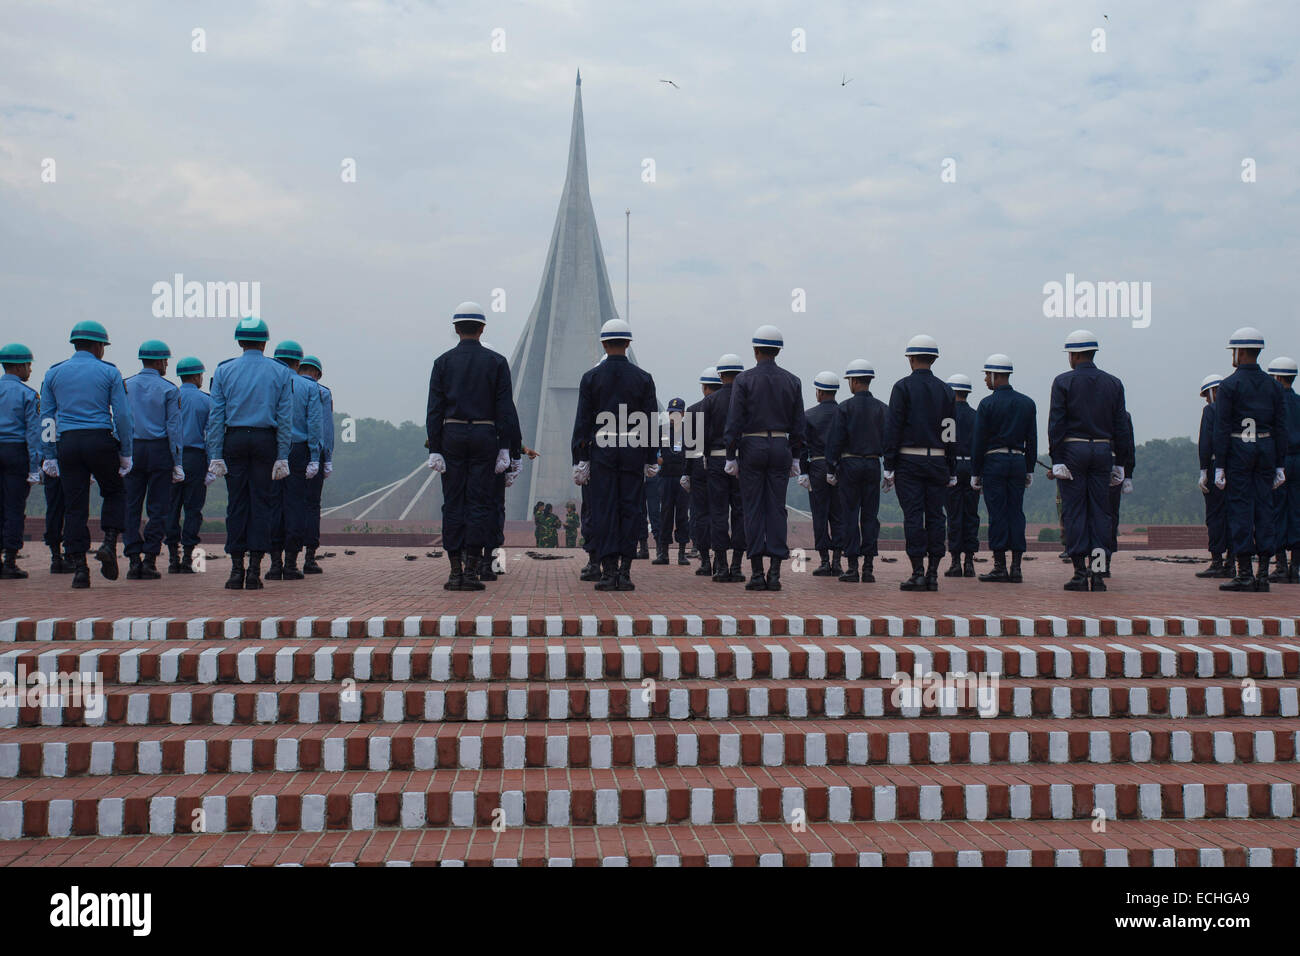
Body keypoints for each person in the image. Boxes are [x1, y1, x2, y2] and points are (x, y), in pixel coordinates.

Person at [425, 301, 517, 591]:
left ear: (456, 328)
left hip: (451, 434)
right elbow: (505, 409)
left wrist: (435, 448)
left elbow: (434, 410)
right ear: (482, 328)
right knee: (480, 503)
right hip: (484, 435)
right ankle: (473, 570)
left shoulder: (442, 363)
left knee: (453, 502)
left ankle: (454, 572)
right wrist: (507, 448)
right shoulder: (497, 362)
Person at [39, 321, 134, 589]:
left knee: (74, 506)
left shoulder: (54, 373)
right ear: (98, 346)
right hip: (100, 440)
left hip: (67, 443)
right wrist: (126, 451)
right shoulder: (109, 372)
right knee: (115, 492)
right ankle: (109, 541)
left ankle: (80, 568)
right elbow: (124, 416)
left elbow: (46, 418)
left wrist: (50, 454)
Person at [205, 316, 294, 590]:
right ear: (265, 343)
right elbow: (284, 417)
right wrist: (282, 455)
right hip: (265, 440)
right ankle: (254, 569)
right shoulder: (280, 372)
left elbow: (216, 416)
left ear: (240, 341)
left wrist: (215, 453)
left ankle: (235, 570)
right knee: (262, 504)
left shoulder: (224, 371)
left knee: (237, 504)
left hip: (234, 439)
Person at [571, 319, 658, 591]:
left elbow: (583, 422)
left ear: (604, 343)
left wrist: (580, 458)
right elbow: (650, 421)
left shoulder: (591, 378)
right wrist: (651, 458)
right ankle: (626, 572)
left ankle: (608, 572)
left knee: (604, 509)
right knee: (630, 508)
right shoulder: (643, 378)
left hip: (603, 451)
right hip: (633, 450)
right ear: (628, 344)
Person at [1047, 329, 1132, 592]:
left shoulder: (1063, 382)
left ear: (1072, 355)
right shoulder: (1114, 383)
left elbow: (1056, 424)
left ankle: (1079, 572)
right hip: (1104, 452)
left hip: (1074, 450)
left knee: (1075, 512)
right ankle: (1097, 574)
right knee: (1100, 513)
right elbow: (1122, 426)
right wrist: (1123, 465)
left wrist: (1057, 458)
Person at [722, 325, 806, 591]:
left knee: (753, 509)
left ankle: (757, 572)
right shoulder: (792, 380)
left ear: (756, 350)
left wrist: (731, 455)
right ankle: (775, 574)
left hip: (752, 446)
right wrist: (795, 457)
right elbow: (799, 424)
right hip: (781, 446)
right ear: (777, 350)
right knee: (776, 509)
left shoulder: (744, 380)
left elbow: (734, 421)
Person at [1212, 327, 1287, 592]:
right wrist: (1279, 463)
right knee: (1266, 508)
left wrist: (1219, 464)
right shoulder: (1273, 386)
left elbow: (1221, 427)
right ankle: (1263, 573)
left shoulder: (1229, 385)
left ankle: (1244, 572)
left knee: (1241, 508)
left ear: (1239, 352)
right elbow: (1281, 426)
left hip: (1238, 449)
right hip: (1266, 448)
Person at [883, 334, 956, 591]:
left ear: (911, 359)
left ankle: (917, 571)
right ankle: (934, 572)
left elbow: (894, 428)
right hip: (938, 461)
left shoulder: (902, 388)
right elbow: (950, 431)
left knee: (913, 516)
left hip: (908, 461)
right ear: (934, 359)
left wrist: (889, 464)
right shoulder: (947, 391)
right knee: (936, 516)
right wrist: (951, 466)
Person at [970, 354, 1037, 584]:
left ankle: (1000, 566)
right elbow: (1032, 439)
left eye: (987, 376)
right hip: (1018, 461)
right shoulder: (1027, 403)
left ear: (994, 375)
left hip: (994, 462)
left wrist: (975, 471)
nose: (985, 381)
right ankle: (1016, 566)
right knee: (1016, 512)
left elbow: (979, 441)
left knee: (997, 513)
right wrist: (1029, 468)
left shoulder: (987, 404)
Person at [122, 340, 182, 581]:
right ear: (158, 362)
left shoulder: (126, 386)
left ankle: (133, 559)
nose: (166, 364)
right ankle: (149, 560)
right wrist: (177, 461)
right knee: (158, 509)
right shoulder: (169, 389)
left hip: (133, 448)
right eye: (165, 361)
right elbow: (174, 429)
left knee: (131, 506)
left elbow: (122, 422)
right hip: (159, 451)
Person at [825, 360, 887, 583]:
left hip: (849, 465)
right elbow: (889, 441)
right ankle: (868, 567)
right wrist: (889, 467)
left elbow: (835, 441)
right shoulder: (882, 408)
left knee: (850, 515)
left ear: (852, 381)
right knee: (870, 515)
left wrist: (830, 467)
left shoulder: (844, 407)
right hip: (873, 464)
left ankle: (852, 566)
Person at [265, 341, 322, 581]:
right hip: (298, 451)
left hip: (270, 449)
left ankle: (274, 563)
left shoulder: (268, 383)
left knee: (271, 507)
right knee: (295, 506)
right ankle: (291, 563)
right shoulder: (309, 387)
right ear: (298, 363)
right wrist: (316, 457)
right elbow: (315, 424)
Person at [165, 357, 212, 574]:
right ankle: (188, 556)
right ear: (196, 376)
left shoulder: (170, 396)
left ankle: (172, 556)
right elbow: (210, 436)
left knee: (171, 508)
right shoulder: (206, 401)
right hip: (195, 457)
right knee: (193, 509)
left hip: (171, 456)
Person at [704, 354, 746, 582]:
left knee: (718, 512)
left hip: (716, 460)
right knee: (740, 512)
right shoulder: (747, 399)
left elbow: (702, 437)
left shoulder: (709, 401)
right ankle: (737, 565)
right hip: (741, 460)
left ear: (720, 375)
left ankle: (721, 565)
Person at [0, 343, 40, 579]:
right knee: (14, 508)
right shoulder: (28, 394)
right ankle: (10, 561)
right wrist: (34, 467)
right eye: (28, 365)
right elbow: (33, 435)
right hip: (16, 452)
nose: (30, 370)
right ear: (19, 366)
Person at [801, 371, 844, 577]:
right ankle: (837, 560)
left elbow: (802, 447)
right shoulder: (845, 412)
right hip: (841, 468)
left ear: (819, 391)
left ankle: (824, 560)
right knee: (839, 515)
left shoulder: (808, 415)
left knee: (820, 514)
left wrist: (803, 471)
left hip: (817, 467)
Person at [296, 355, 332, 575]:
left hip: (287, 452)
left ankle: (282, 559)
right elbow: (325, 429)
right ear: (317, 374)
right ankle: (309, 556)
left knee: (286, 503)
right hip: (313, 455)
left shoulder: (287, 385)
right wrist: (326, 457)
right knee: (311, 505)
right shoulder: (321, 392)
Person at [1266, 356, 1300, 583]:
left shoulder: (1273, 404)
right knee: (1297, 511)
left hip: (1280, 461)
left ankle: (1281, 564)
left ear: (1277, 378)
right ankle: (1295, 567)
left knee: (1276, 510)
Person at [1194, 374, 1232, 579]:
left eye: (1207, 396)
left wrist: (1204, 471)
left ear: (1214, 391)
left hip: (1216, 465)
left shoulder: (1211, 411)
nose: (1207, 401)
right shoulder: (1237, 410)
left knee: (1215, 516)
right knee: (1234, 514)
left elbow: (1205, 442)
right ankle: (1233, 560)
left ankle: (1217, 560)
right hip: (1236, 467)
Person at [943, 373, 980, 577]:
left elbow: (946, 444)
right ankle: (969, 562)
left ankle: (956, 561)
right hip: (972, 468)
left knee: (954, 516)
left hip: (954, 468)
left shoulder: (947, 418)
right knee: (971, 516)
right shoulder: (977, 416)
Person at [684, 367, 720, 576]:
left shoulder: (694, 410)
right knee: (721, 514)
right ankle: (723, 561)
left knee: (701, 514)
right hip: (722, 465)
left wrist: (686, 472)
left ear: (704, 387)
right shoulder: (730, 406)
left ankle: (705, 560)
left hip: (699, 468)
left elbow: (690, 447)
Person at [654, 397, 691, 565]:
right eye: (671, 413)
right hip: (666, 477)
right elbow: (652, 450)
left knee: (682, 515)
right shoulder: (661, 431)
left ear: (683, 413)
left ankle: (682, 553)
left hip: (682, 477)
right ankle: (664, 553)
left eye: (677, 413)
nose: (673, 415)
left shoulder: (689, 431)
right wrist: (657, 459)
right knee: (666, 514)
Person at [1103, 411, 1136, 577]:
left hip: (1110, 465)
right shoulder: (1122, 414)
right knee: (1106, 516)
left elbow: (1127, 443)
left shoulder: (1122, 415)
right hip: (1110, 465)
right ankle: (1101, 565)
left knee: (1103, 516)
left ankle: (1099, 563)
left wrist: (1128, 472)